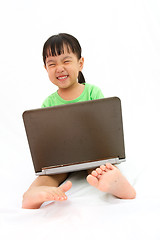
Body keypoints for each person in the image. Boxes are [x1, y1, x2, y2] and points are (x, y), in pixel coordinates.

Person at [22, 33, 136, 209]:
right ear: (46, 69)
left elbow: (104, 129)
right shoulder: (48, 103)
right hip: (62, 160)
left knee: (100, 169)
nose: (59, 68)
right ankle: (33, 194)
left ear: (80, 63)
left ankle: (115, 183)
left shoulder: (92, 92)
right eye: (52, 64)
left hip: (94, 154)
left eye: (66, 61)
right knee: (50, 176)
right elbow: (47, 140)